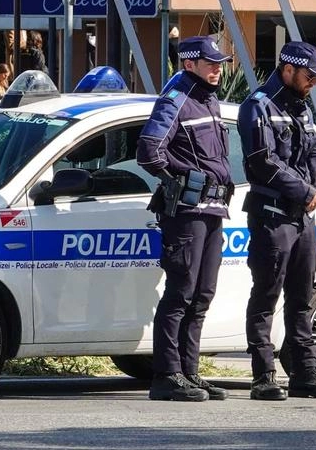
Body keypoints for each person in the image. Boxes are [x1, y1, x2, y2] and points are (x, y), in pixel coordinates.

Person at [237, 40, 316, 401]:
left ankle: (305, 374)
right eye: (309, 75)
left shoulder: (302, 109)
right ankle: (263, 375)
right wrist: (303, 191)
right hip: (272, 218)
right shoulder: (258, 107)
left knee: (302, 300)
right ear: (288, 70)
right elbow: (263, 162)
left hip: (302, 219)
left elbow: (315, 150)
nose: (314, 81)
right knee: (266, 296)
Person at [136, 36, 235, 402]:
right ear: (188, 64)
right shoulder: (176, 99)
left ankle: (189, 372)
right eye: (210, 63)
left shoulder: (208, 101)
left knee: (202, 294)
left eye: (219, 63)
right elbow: (148, 151)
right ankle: (167, 375)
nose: (217, 69)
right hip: (187, 211)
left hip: (213, 210)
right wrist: (186, 176)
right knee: (181, 293)